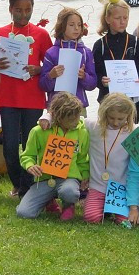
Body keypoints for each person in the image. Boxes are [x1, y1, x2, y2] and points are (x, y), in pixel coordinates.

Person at [0, 0, 53, 197]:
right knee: (9, 145)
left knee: (30, 143)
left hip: (33, 98)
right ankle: (17, 183)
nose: (23, 14)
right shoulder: (0, 33)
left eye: (28, 10)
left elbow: (52, 66)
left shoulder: (41, 34)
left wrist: (39, 69)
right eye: (18, 10)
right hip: (8, 97)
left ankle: (27, 186)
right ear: (10, 9)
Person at [16, 91, 90, 221]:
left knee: (70, 192)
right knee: (24, 213)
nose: (76, 122)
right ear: (58, 117)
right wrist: (30, 165)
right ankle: (48, 201)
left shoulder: (82, 132)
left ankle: (68, 205)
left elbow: (83, 158)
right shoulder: (38, 131)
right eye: (71, 119)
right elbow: (27, 155)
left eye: (77, 117)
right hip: (45, 179)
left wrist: (85, 176)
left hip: (69, 179)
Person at [92, 0, 139, 119]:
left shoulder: (135, 42)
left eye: (125, 18)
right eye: (118, 18)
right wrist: (101, 81)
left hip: (131, 101)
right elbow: (95, 74)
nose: (122, 21)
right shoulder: (100, 45)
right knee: (109, 136)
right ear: (108, 19)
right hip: (108, 100)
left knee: (129, 136)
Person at [83, 93, 136, 224]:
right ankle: (103, 208)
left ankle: (110, 209)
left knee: (125, 222)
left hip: (120, 189)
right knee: (91, 218)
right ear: (104, 112)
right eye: (111, 118)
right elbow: (72, 118)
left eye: (121, 118)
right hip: (98, 187)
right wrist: (47, 117)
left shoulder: (133, 131)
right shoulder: (94, 126)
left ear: (128, 116)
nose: (116, 122)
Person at [40, 6, 97, 106]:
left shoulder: (85, 52)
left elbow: (92, 84)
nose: (76, 28)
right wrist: (51, 75)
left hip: (79, 106)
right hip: (56, 107)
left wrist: (84, 77)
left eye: (79, 25)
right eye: (71, 25)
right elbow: (43, 86)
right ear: (62, 26)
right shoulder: (51, 53)